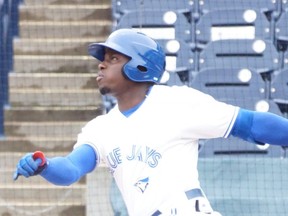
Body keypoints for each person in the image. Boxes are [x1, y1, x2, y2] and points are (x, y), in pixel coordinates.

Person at [14, 28, 288, 216]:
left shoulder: (177, 103)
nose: (101, 65)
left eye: (112, 58)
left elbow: (250, 124)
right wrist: (46, 165)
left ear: (140, 66)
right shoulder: (101, 129)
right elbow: (72, 168)